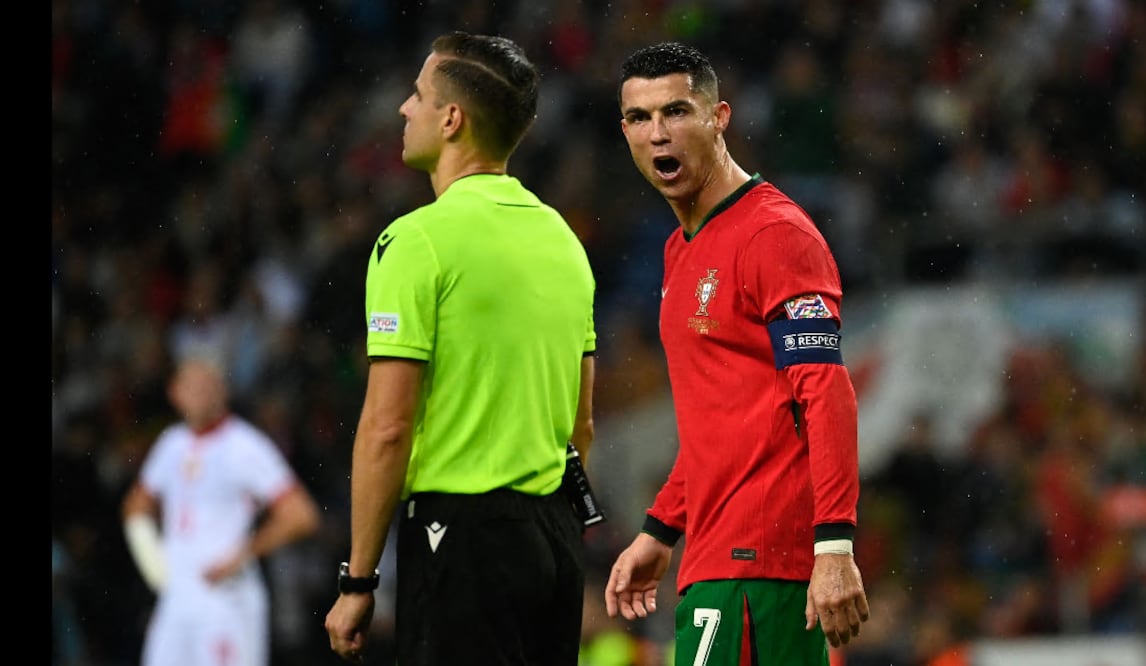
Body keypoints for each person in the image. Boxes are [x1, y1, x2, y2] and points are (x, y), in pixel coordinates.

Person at [323, 31, 597, 666]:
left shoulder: (416, 241)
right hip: (554, 542)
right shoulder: (563, 240)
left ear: (451, 119)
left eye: (417, 95)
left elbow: (387, 427)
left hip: (464, 538)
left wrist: (358, 580)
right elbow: (581, 424)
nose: (403, 108)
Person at [603, 42, 871, 664]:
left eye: (676, 111)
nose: (659, 133)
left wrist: (833, 546)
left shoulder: (774, 235)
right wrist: (661, 526)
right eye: (640, 119)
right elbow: (721, 422)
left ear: (719, 117)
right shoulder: (680, 250)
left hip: (763, 563)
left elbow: (826, 391)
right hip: (714, 557)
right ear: (624, 131)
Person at [121, 352, 321, 666]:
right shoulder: (171, 444)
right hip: (176, 599)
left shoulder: (244, 446)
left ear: (222, 390)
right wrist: (154, 564)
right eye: (191, 386)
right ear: (175, 393)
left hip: (226, 602)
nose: (199, 394)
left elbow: (301, 515)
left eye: (207, 385)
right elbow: (135, 506)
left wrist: (242, 554)